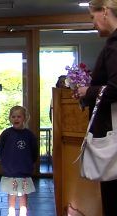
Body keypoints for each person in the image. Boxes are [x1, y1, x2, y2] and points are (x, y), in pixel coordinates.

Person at [75, 1, 117, 215]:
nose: (93, 23)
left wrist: (87, 92)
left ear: (106, 12)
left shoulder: (114, 45)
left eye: (92, 17)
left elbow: (115, 87)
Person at [0, 106, 38, 216]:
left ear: (24, 118)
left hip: (24, 171)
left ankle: (23, 212)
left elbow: (34, 151)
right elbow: (0, 149)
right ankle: (11, 212)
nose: (16, 119)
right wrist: (6, 162)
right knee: (12, 193)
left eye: (19, 116)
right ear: (10, 118)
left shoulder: (29, 135)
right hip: (10, 171)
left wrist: (29, 163)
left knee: (23, 194)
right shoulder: (6, 134)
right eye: (13, 116)